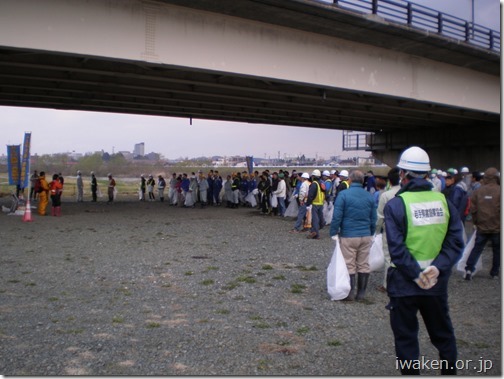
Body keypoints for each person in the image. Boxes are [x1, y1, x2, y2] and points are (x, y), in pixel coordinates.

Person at [383, 146, 464, 375]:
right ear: (428, 175)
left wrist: (416, 274)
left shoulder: (397, 204)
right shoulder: (444, 202)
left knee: (407, 339)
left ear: (403, 174)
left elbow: (397, 250)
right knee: (443, 335)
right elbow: (456, 242)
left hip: (404, 283)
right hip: (435, 284)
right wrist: (437, 269)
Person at [330, 170, 376, 300]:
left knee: (349, 263)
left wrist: (333, 232)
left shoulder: (344, 195)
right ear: (362, 181)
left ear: (350, 180)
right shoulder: (369, 196)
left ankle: (349, 293)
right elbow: (373, 218)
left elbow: (337, 216)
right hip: (366, 234)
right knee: (363, 263)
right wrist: (371, 232)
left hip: (349, 234)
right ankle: (361, 293)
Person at [464, 167, 500, 280]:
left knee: (477, 248)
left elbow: (473, 209)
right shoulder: (500, 190)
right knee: (497, 250)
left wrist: (475, 222)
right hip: (497, 227)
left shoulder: (478, 191)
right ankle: (494, 273)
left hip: (481, 226)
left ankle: (469, 269)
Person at [374, 167, 401, 293]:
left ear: (389, 181)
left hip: (389, 229)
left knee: (389, 257)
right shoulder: (405, 193)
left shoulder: (386, 195)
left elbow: (380, 216)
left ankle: (387, 284)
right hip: (406, 229)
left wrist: (376, 231)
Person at [305, 169, 325, 240]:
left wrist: (308, 204)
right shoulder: (322, 183)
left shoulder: (314, 184)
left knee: (315, 220)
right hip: (321, 203)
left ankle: (316, 234)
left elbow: (310, 195)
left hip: (315, 204)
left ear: (313, 176)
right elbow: (325, 192)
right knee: (321, 218)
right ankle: (316, 228)